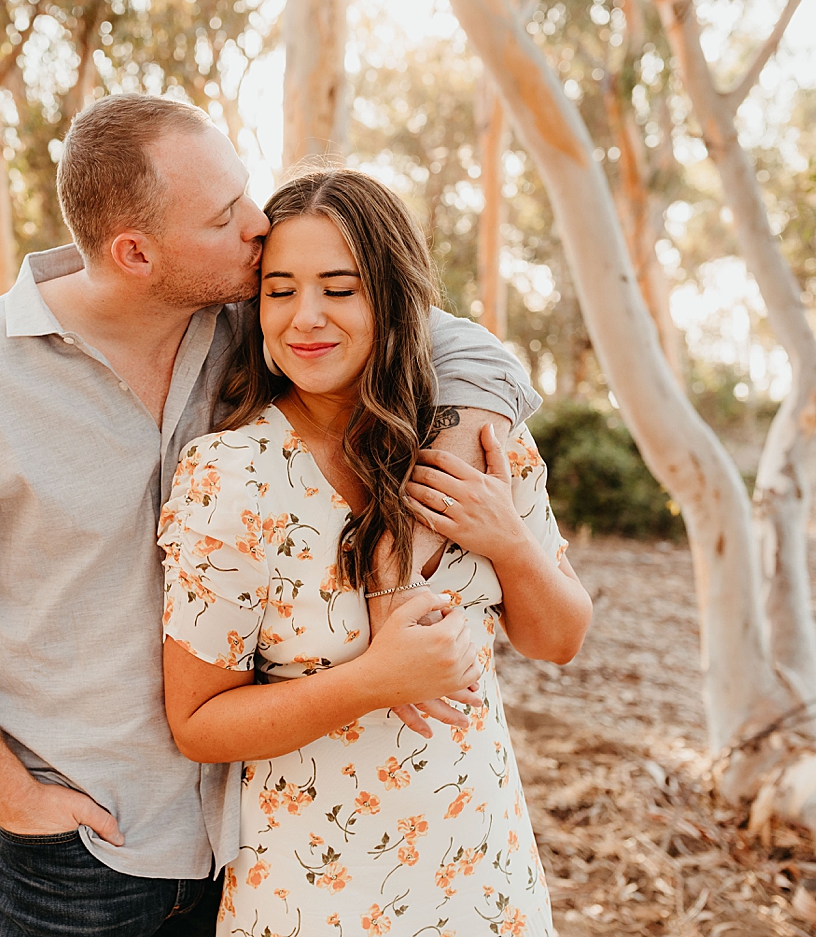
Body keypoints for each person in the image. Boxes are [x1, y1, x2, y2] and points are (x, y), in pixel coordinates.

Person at [0, 94, 542, 937]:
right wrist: (11, 794)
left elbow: (453, 341)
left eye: (245, 194)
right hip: (82, 856)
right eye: (224, 216)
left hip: (260, 847)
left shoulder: (260, 318)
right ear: (136, 252)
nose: (258, 225)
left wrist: (429, 497)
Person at [160, 169, 593, 935]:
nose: (306, 318)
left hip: (482, 876)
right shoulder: (230, 477)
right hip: (315, 893)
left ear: (392, 298)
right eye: (280, 290)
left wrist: (507, 540)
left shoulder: (479, 439)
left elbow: (559, 639)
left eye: (340, 288)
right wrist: (374, 681)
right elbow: (198, 722)